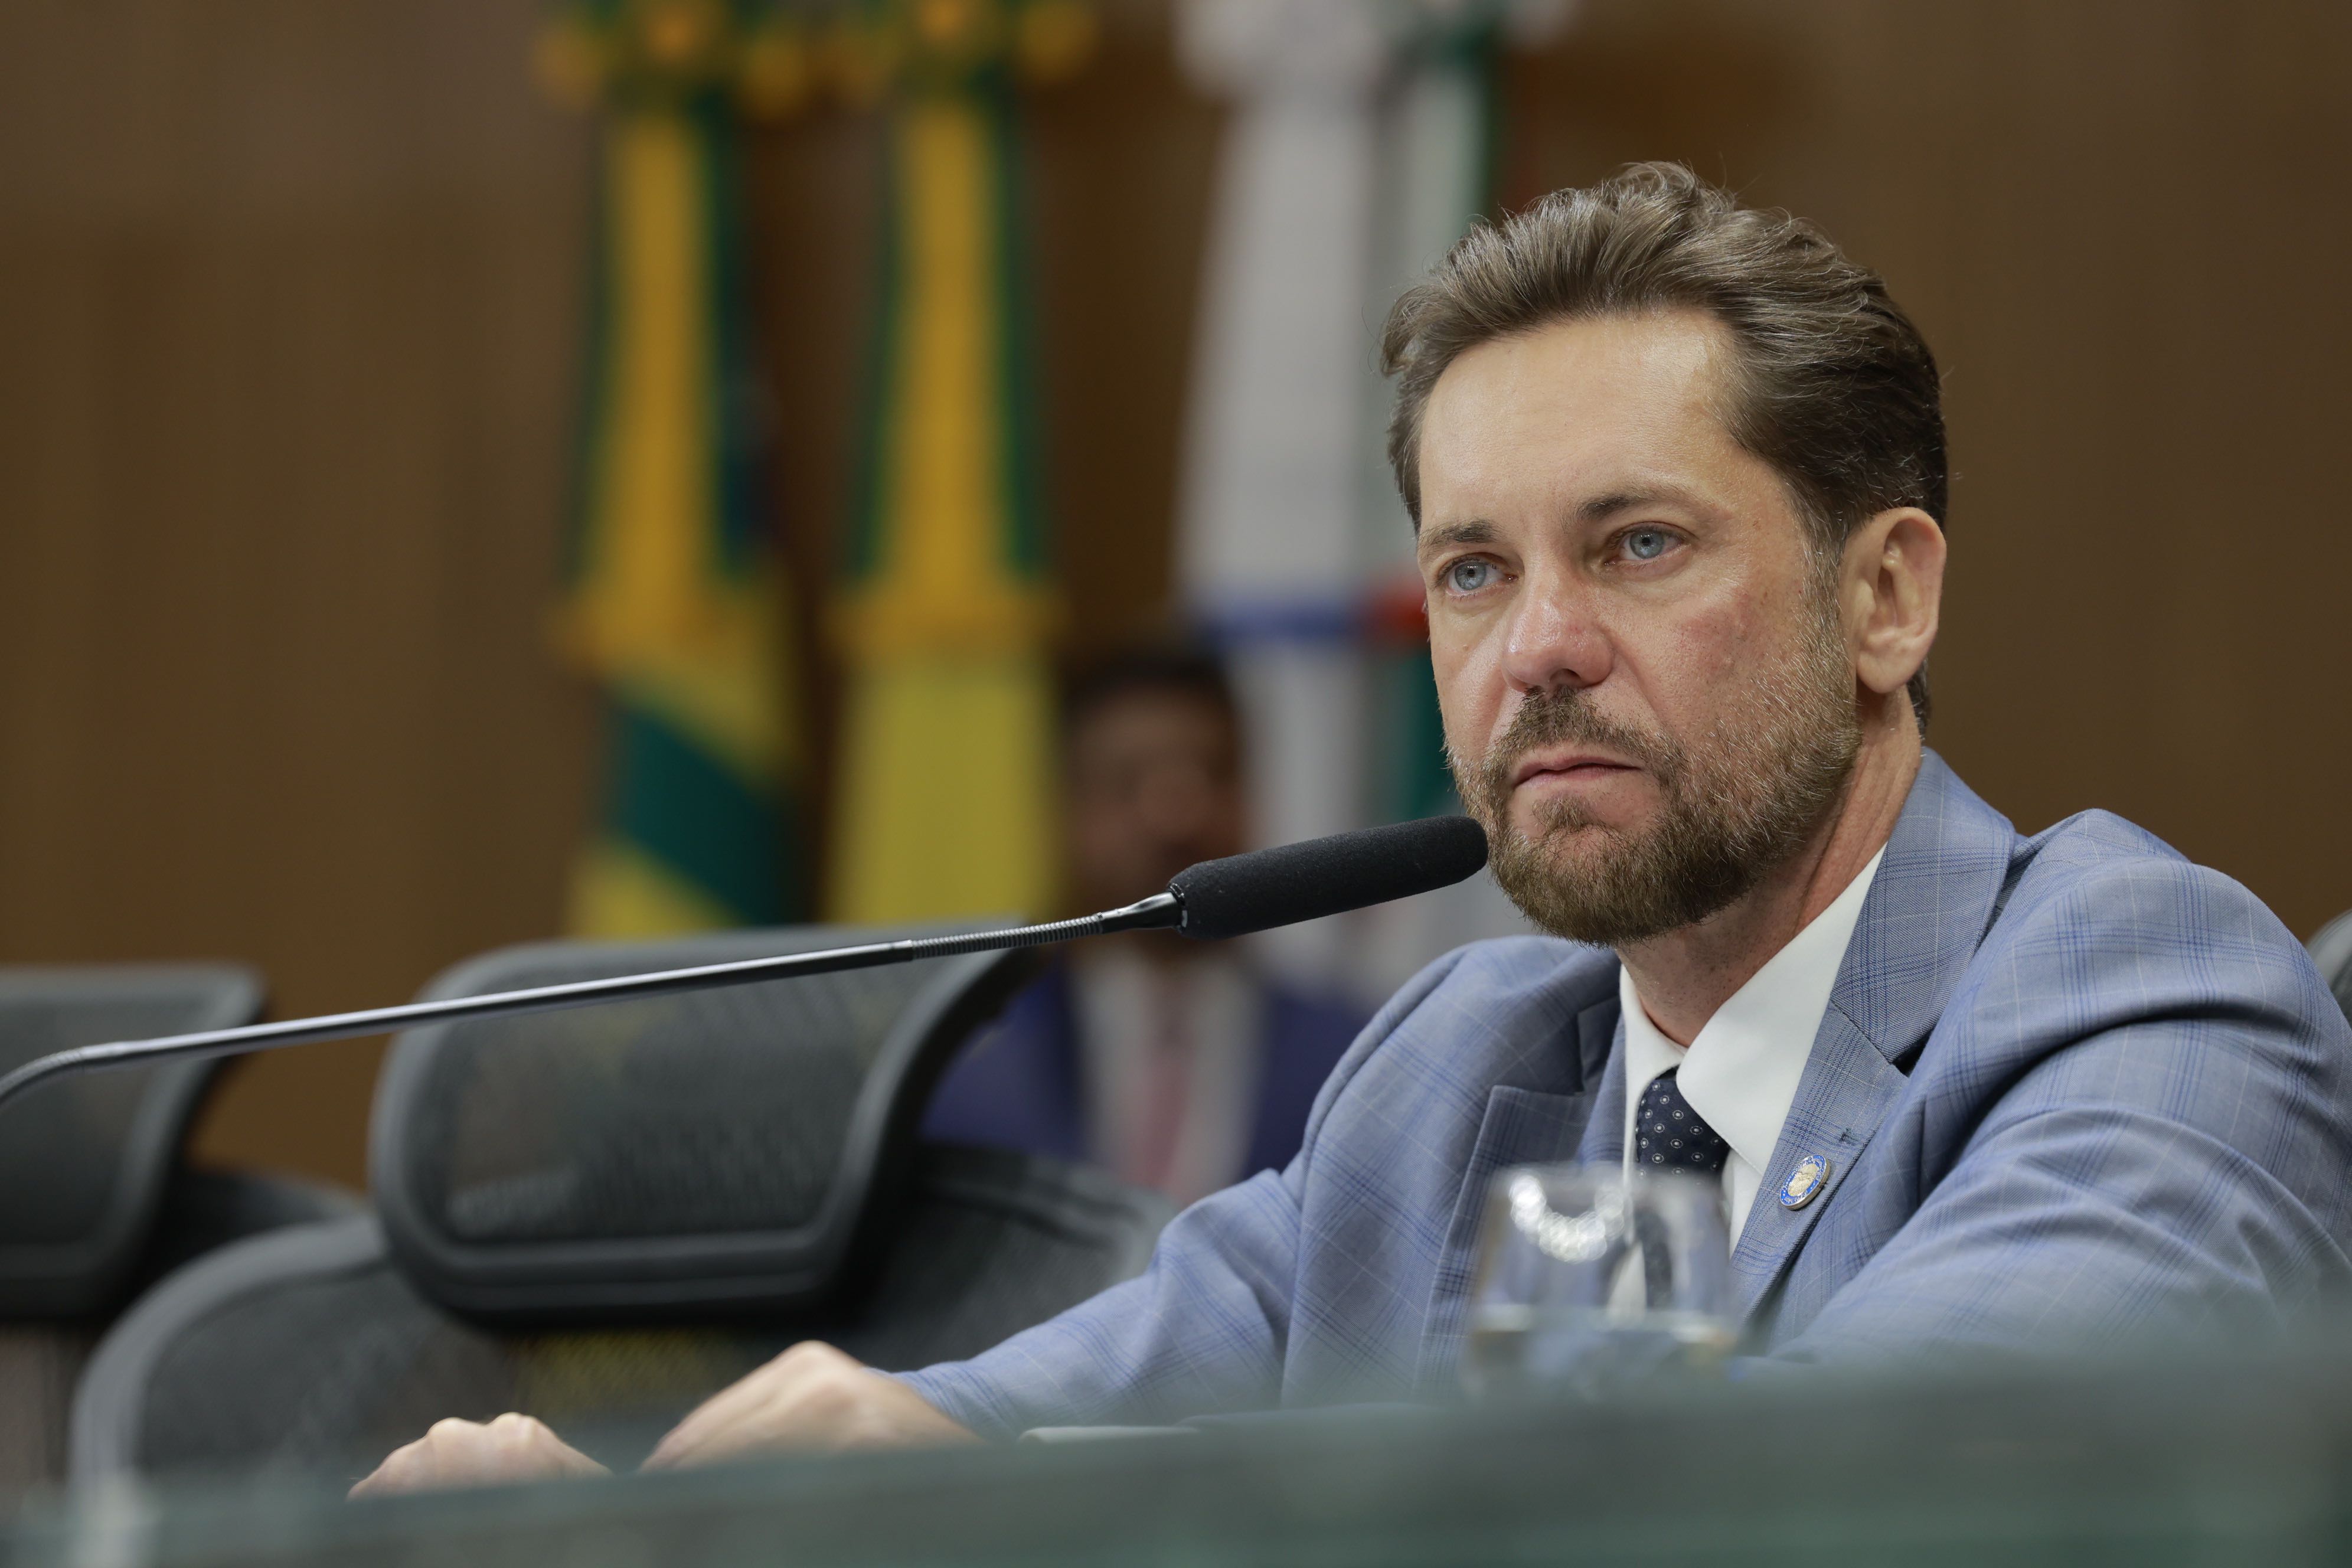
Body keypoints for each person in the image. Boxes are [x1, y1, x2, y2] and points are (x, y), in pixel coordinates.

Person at [353, 162, 2352, 1494]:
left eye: (1639, 545)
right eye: (1473, 571)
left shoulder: (2134, 992)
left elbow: (1861, 1497)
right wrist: (653, 1514)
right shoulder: (1463, 1062)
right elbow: (998, 1427)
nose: (1536, 651)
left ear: (1885, 597)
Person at [919, 650, 1369, 1207]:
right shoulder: (965, 1068)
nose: (1174, 816)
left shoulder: (1355, 1056)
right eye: (1127, 781)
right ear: (1067, 807)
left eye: (1211, 774)